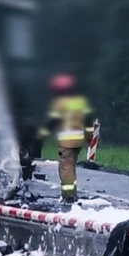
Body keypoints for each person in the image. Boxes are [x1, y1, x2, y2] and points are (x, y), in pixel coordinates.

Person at [39, 73, 94, 203]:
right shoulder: (81, 102)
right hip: (79, 140)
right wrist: (89, 138)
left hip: (66, 141)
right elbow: (88, 121)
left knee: (65, 168)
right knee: (72, 166)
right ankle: (72, 192)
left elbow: (51, 121)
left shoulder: (60, 103)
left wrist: (41, 135)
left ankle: (68, 196)